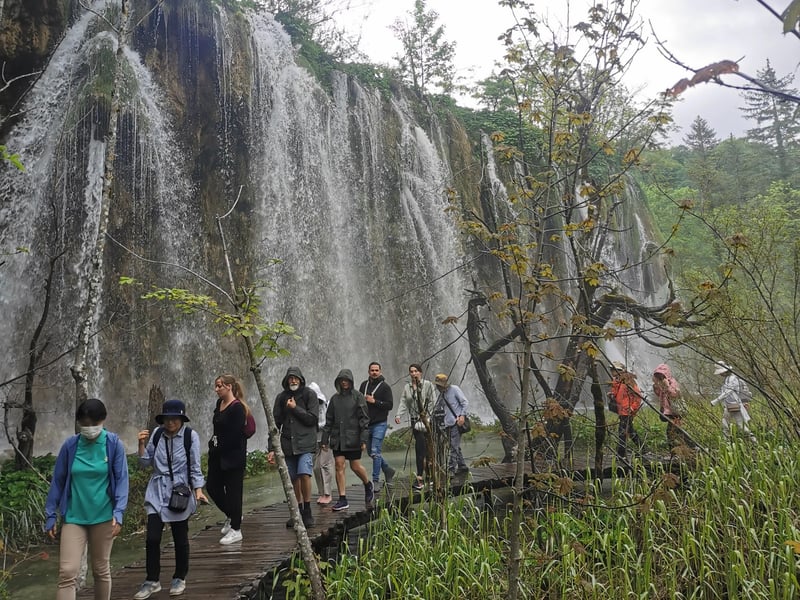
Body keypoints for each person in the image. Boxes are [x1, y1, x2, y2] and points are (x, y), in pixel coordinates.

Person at [44, 398, 129, 600]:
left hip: (104, 516)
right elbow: (58, 480)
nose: (89, 428)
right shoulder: (71, 446)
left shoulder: (113, 444)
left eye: (93, 424)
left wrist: (119, 512)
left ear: (103, 420)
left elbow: (122, 479)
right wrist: (50, 514)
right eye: (84, 424)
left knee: (101, 570)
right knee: (67, 572)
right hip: (74, 517)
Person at [133, 400, 207, 599]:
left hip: (179, 491)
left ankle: (179, 577)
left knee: (180, 538)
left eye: (175, 418)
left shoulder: (190, 437)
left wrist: (198, 490)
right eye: (167, 418)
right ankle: (152, 580)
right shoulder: (157, 434)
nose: (171, 422)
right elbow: (144, 463)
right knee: (152, 538)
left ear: (181, 419)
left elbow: (195, 466)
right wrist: (140, 444)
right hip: (157, 490)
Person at [268, 367, 319, 528]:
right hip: (288, 444)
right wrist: (271, 448)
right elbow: (275, 424)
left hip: (305, 444)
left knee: (304, 474)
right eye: (290, 378)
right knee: (293, 478)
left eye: (296, 378)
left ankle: (307, 511)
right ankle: (297, 511)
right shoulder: (281, 398)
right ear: (286, 380)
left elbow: (312, 419)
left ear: (301, 379)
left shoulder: (309, 395)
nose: (293, 381)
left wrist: (294, 408)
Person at [321, 369, 374, 511]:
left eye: (346, 380)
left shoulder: (358, 397)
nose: (344, 382)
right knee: (339, 464)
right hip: (337, 438)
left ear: (351, 381)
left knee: (355, 466)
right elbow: (329, 420)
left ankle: (368, 484)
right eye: (341, 380)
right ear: (338, 382)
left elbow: (364, 418)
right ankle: (342, 498)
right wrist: (324, 440)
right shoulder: (334, 399)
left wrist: (363, 439)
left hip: (353, 437)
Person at [207, 374, 249, 544]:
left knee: (233, 492)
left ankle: (236, 529)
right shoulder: (220, 404)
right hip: (217, 456)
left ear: (229, 386)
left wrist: (218, 447)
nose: (216, 389)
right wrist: (212, 446)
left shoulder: (237, 408)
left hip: (233, 457)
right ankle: (233, 515)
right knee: (212, 487)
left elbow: (235, 436)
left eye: (219, 386)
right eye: (216, 386)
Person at [395, 363, 436, 490]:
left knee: (429, 448)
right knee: (420, 448)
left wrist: (427, 415)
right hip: (414, 421)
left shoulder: (428, 385)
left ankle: (429, 476)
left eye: (416, 371)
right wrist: (398, 415)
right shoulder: (407, 387)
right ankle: (420, 477)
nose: (413, 374)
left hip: (427, 420)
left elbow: (433, 401)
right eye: (411, 372)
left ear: (420, 373)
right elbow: (403, 401)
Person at [359, 362, 396, 489]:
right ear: (369, 371)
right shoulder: (364, 385)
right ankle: (387, 469)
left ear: (380, 371)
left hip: (380, 423)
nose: (374, 372)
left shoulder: (385, 387)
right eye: (372, 370)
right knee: (371, 452)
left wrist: (375, 401)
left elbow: (390, 405)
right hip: (366, 424)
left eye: (376, 370)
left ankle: (375, 480)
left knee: (375, 452)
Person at [652, 363, 694, 453]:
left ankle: (683, 449)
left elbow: (674, 395)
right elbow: (660, 395)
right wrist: (655, 386)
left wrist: (667, 386)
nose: (660, 377)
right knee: (676, 431)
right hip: (669, 411)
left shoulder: (672, 382)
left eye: (661, 375)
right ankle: (684, 449)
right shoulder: (662, 383)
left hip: (675, 411)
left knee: (673, 432)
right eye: (658, 375)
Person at [711, 362, 757, 443]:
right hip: (729, 405)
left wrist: (716, 400)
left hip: (734, 404)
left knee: (739, 425)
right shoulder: (728, 379)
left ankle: (753, 441)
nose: (720, 374)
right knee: (726, 423)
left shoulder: (733, 379)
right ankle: (726, 442)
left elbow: (729, 391)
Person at [433, 373, 469, 475]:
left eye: (439, 385)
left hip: (456, 423)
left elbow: (465, 402)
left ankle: (451, 469)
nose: (438, 387)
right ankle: (462, 466)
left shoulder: (454, 389)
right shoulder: (442, 395)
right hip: (447, 424)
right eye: (437, 385)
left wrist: (462, 416)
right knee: (455, 446)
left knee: (453, 446)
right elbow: (437, 407)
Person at [609, 361, 643, 460]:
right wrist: (612, 394)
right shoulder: (617, 381)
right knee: (630, 431)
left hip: (627, 411)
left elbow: (638, 396)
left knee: (622, 432)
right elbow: (617, 394)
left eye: (615, 370)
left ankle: (621, 454)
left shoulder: (629, 381)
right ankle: (643, 448)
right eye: (611, 369)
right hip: (621, 410)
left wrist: (632, 407)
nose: (612, 371)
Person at [309, 381, 334, 505]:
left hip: (325, 439)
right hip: (313, 440)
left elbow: (328, 422)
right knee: (316, 467)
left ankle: (327, 493)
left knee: (325, 465)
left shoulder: (326, 405)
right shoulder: (307, 406)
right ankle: (321, 492)